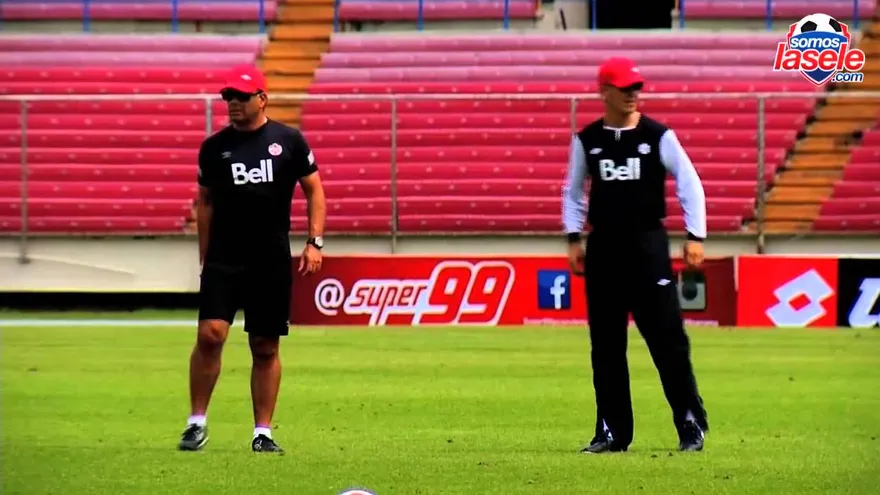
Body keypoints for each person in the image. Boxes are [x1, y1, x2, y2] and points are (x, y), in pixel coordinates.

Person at [561, 56, 710, 453]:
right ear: (604, 91)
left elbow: (689, 182)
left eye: (636, 87)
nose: (633, 94)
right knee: (606, 345)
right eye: (625, 88)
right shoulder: (587, 140)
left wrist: (695, 234)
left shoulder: (658, 136)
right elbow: (573, 192)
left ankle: (690, 423)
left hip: (647, 247)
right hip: (604, 250)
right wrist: (573, 238)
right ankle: (611, 432)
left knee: (668, 340)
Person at [178, 64, 327, 453]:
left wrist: (315, 242)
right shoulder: (214, 148)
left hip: (270, 257)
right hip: (225, 256)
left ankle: (263, 432)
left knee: (265, 345)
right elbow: (205, 202)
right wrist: (205, 255)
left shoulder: (289, 141)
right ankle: (196, 423)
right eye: (228, 97)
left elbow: (314, 190)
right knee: (210, 334)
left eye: (241, 97)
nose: (233, 103)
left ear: (262, 99)